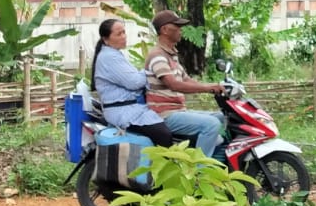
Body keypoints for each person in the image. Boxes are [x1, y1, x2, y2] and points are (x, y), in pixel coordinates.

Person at [143, 10, 227, 157]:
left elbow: (186, 79)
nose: (181, 30)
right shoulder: (157, 56)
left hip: (178, 110)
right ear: (164, 30)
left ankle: (220, 159)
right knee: (211, 125)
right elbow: (174, 84)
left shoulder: (171, 54)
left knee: (222, 117)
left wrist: (213, 86)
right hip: (165, 114)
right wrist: (208, 88)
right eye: (177, 26)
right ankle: (199, 171)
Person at [90, 18, 174, 147]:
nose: (124, 37)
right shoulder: (109, 57)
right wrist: (148, 71)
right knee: (163, 134)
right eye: (119, 34)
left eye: (124, 32)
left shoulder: (115, 54)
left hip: (132, 108)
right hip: (123, 111)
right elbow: (135, 82)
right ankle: (162, 165)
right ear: (106, 39)